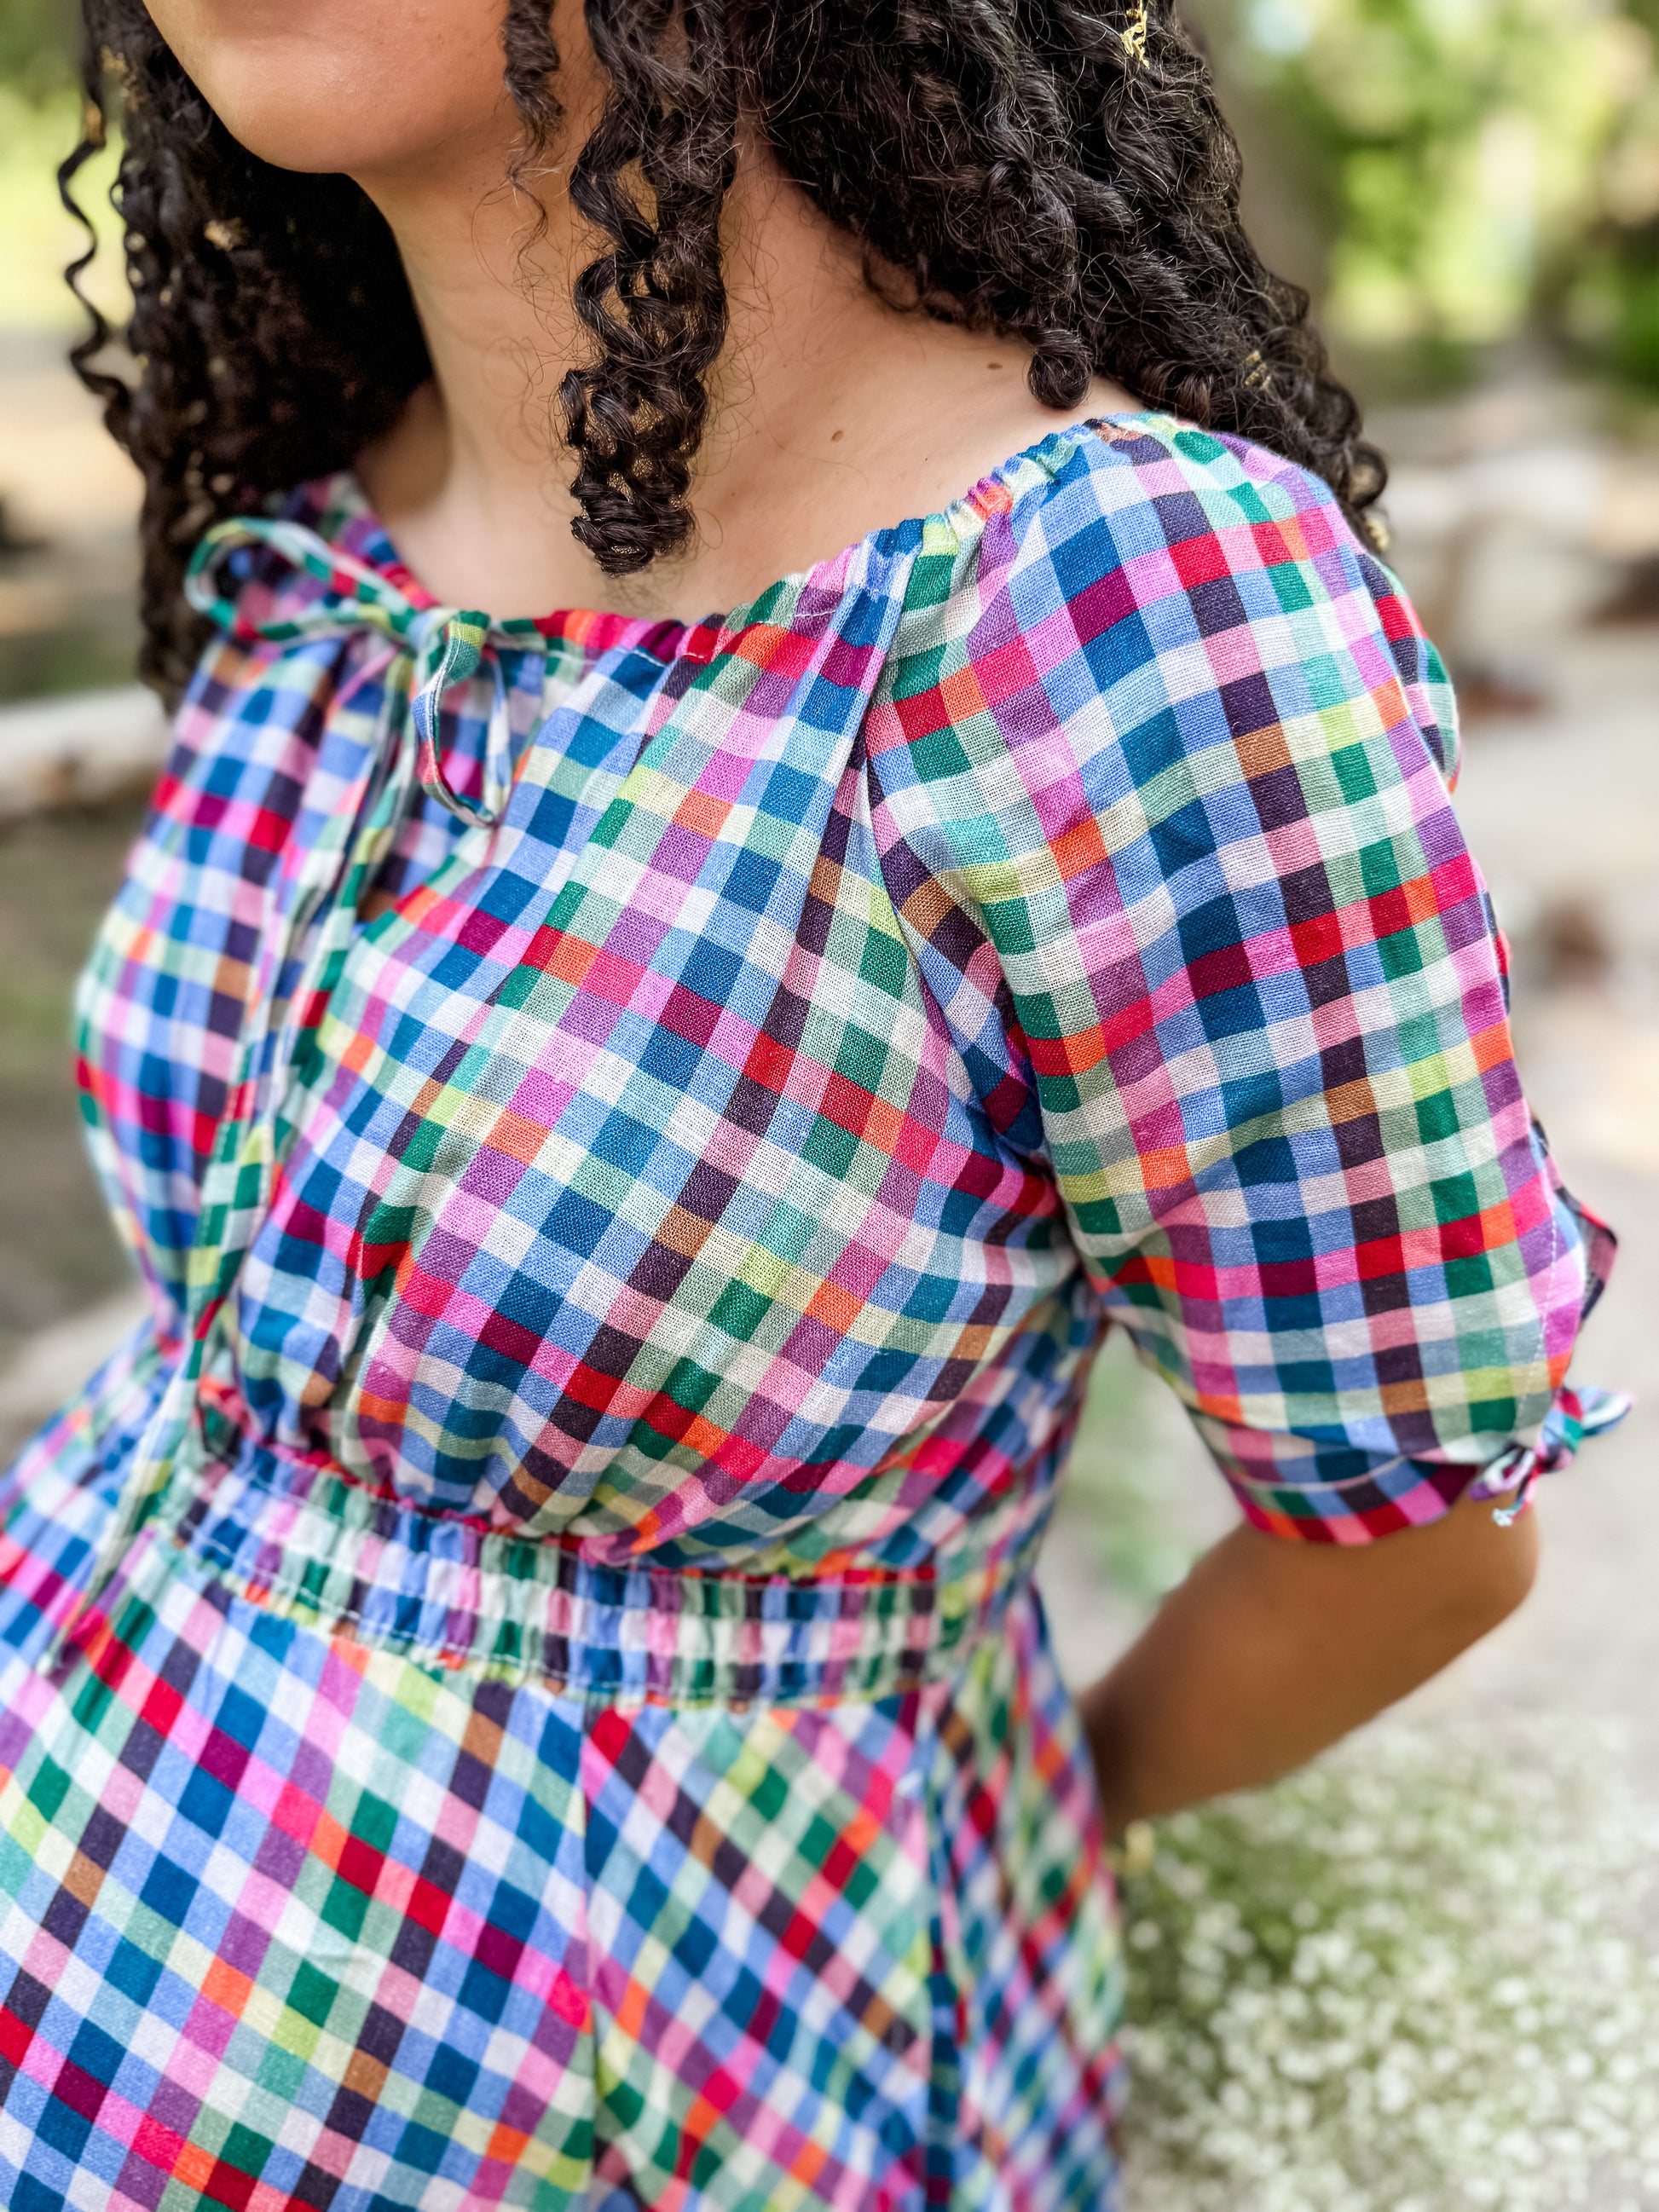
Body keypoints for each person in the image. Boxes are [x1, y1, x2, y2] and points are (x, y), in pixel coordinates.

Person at [0, 2, 1621, 2205]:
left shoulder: (1120, 611)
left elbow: (1415, 1532)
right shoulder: (312, 542)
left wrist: (1012, 1810)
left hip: (657, 2090)